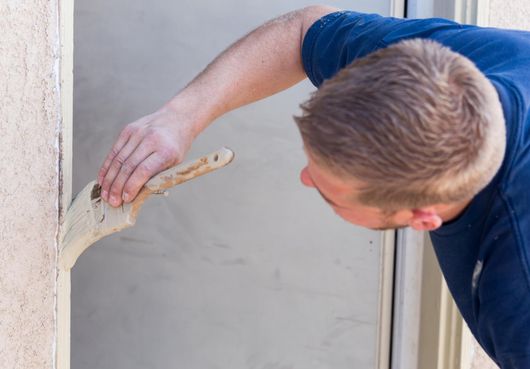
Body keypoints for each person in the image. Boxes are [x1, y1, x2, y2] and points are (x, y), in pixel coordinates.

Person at [96, 5, 530, 368]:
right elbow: (304, 32)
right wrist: (181, 117)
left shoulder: (515, 300)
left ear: (422, 217)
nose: (305, 179)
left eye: (329, 194)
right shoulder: (440, 72)